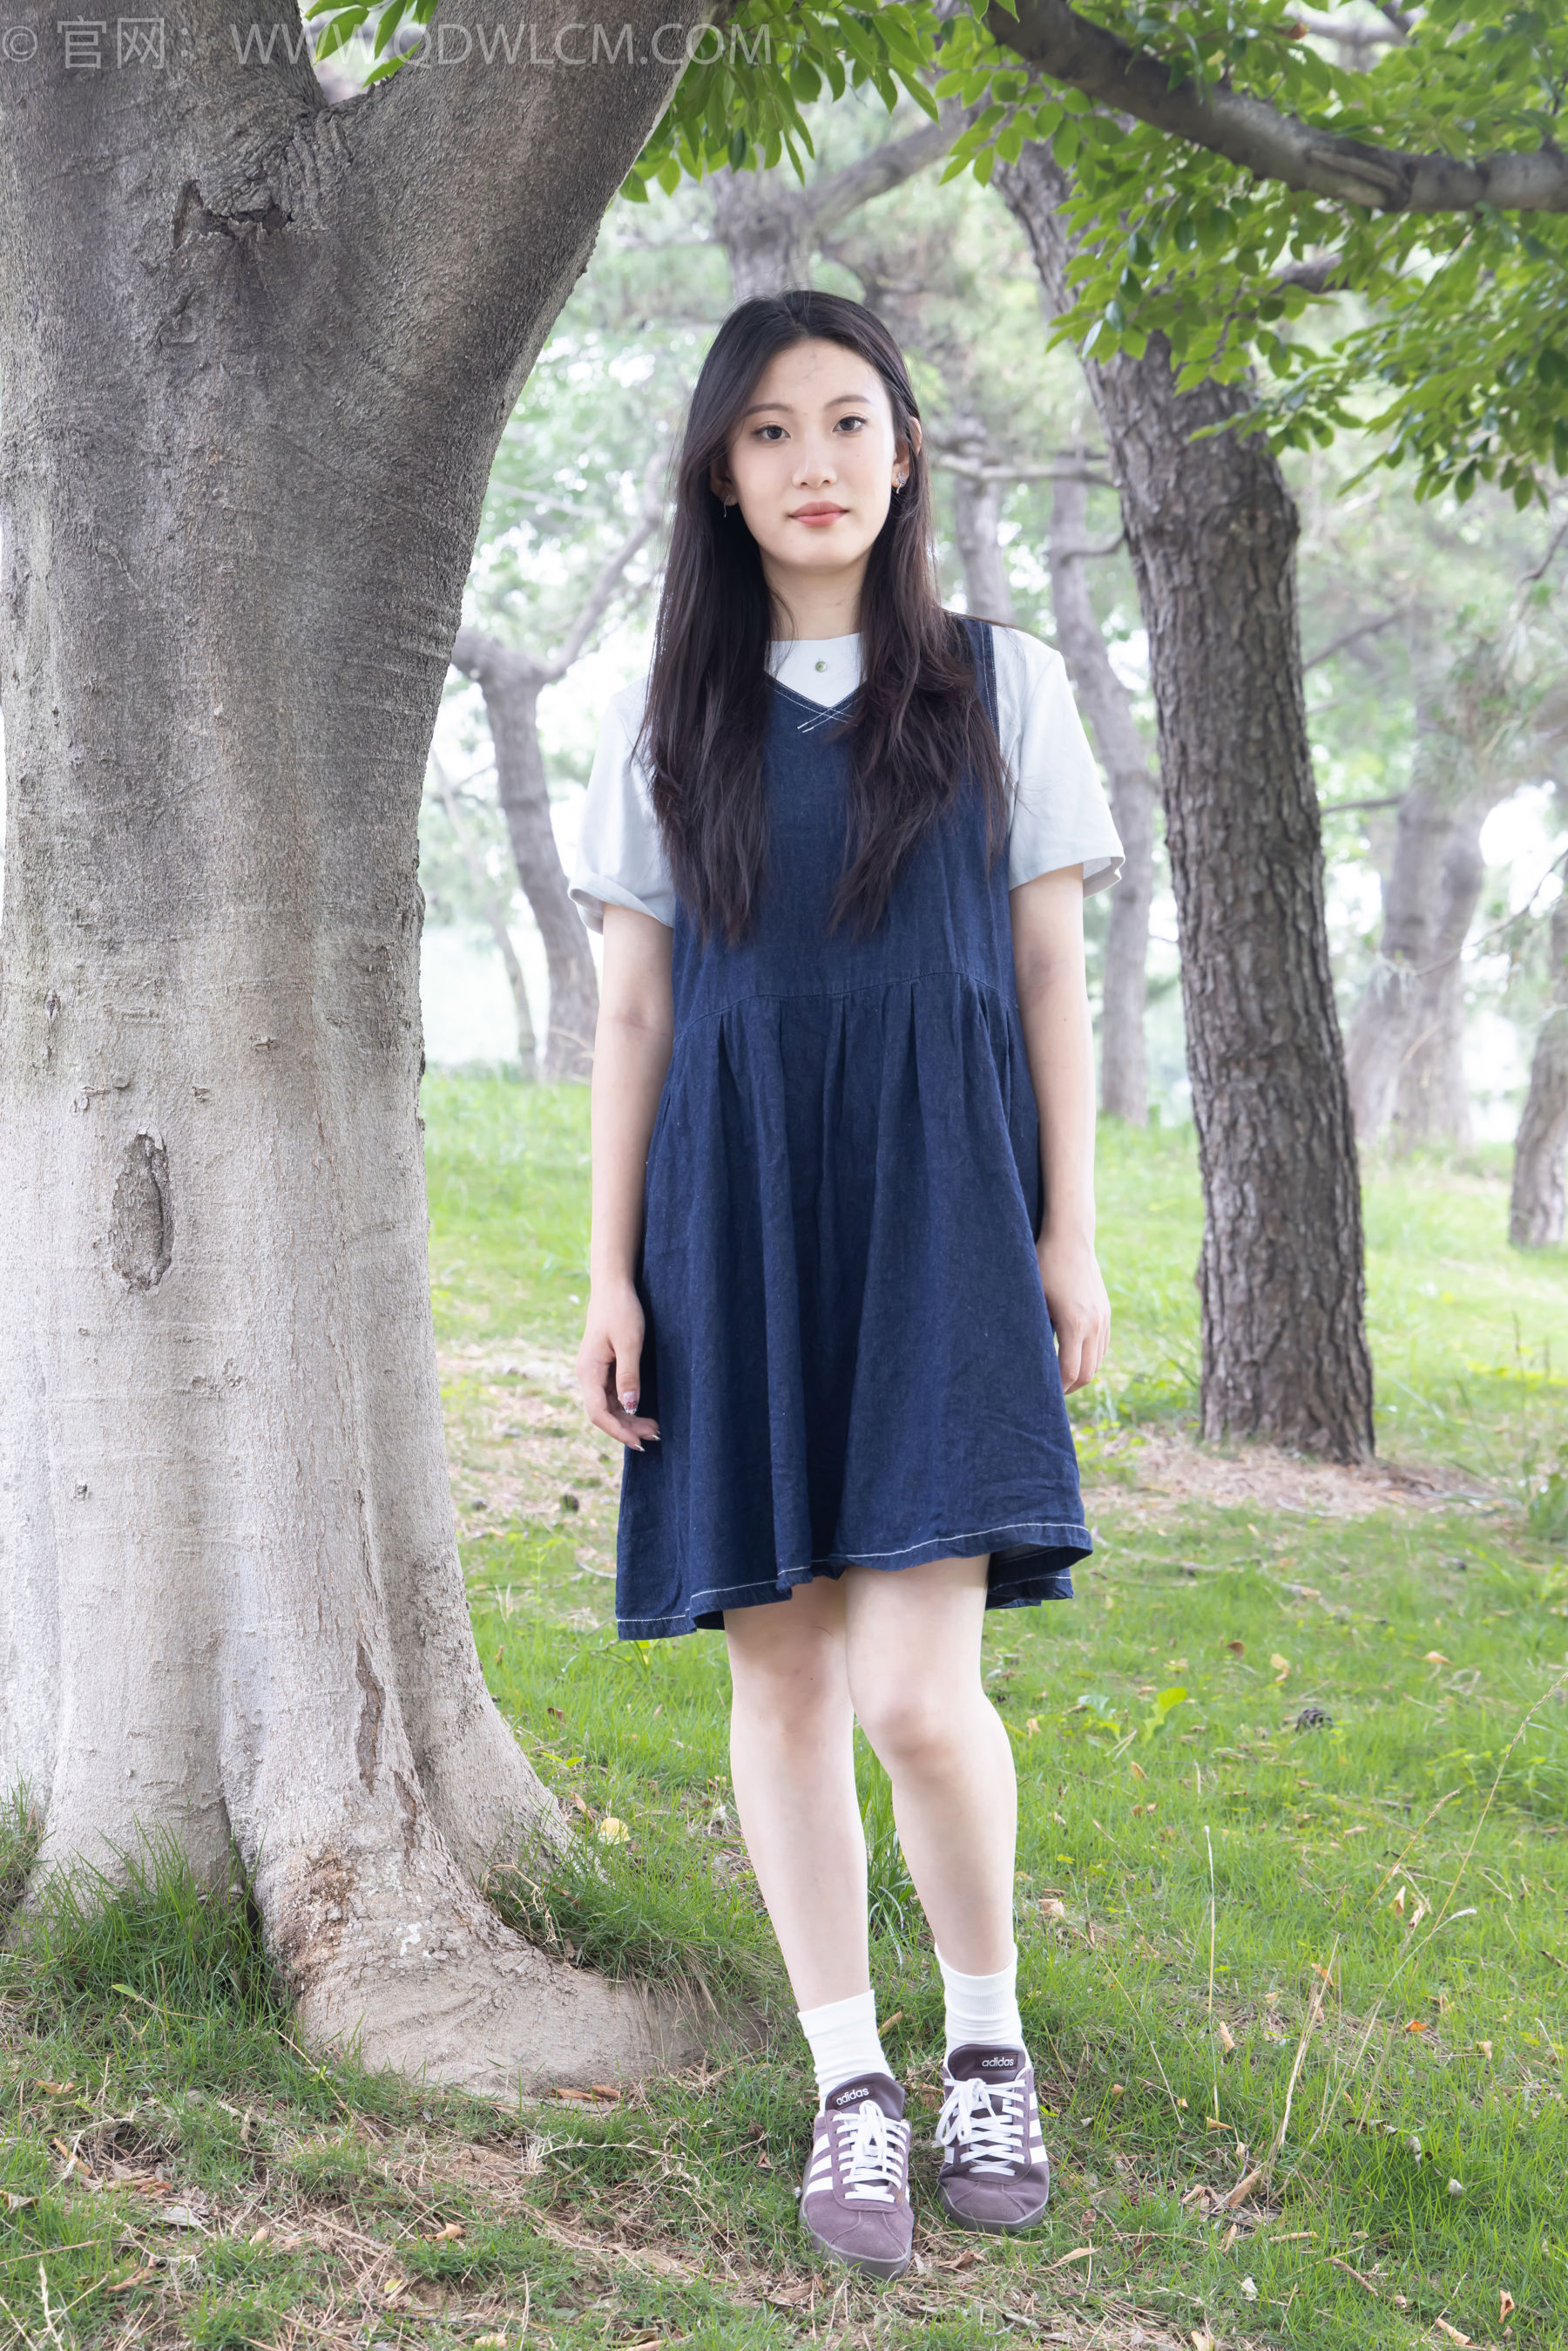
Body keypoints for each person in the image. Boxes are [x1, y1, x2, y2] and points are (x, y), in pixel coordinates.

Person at [569, 290, 1121, 2280]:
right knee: (786, 1674)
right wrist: (612, 1268)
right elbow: (637, 1012)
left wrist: (1068, 1229)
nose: (817, 461)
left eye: (851, 421)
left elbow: (1048, 975)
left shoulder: (1002, 684)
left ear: (904, 453)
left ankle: (988, 2043)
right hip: (734, 1212)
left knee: (915, 1690)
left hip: (942, 1205)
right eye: (773, 430)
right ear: (723, 476)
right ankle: (850, 2080)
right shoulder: (668, 717)